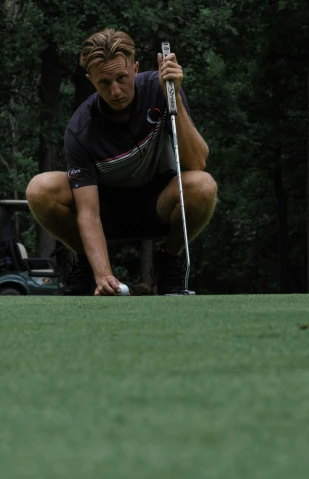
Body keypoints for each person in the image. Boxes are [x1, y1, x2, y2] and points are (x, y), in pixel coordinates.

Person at [26, 28, 217, 296]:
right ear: (91, 79)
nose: (116, 91)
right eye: (104, 82)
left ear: (135, 68)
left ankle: (168, 260)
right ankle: (85, 262)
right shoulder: (81, 128)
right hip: (105, 212)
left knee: (204, 185)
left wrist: (175, 97)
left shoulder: (161, 88)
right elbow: (89, 212)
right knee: (40, 188)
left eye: (121, 78)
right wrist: (104, 275)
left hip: (157, 204)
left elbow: (197, 161)